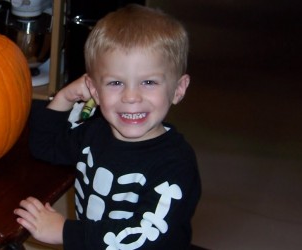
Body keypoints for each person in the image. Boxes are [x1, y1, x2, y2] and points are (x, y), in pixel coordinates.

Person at [14, 4, 201, 249]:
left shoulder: (176, 163)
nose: (131, 97)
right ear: (94, 90)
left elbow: (148, 235)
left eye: (148, 82)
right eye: (115, 83)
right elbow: (44, 145)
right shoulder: (93, 132)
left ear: (178, 89)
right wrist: (64, 98)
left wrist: (65, 231)